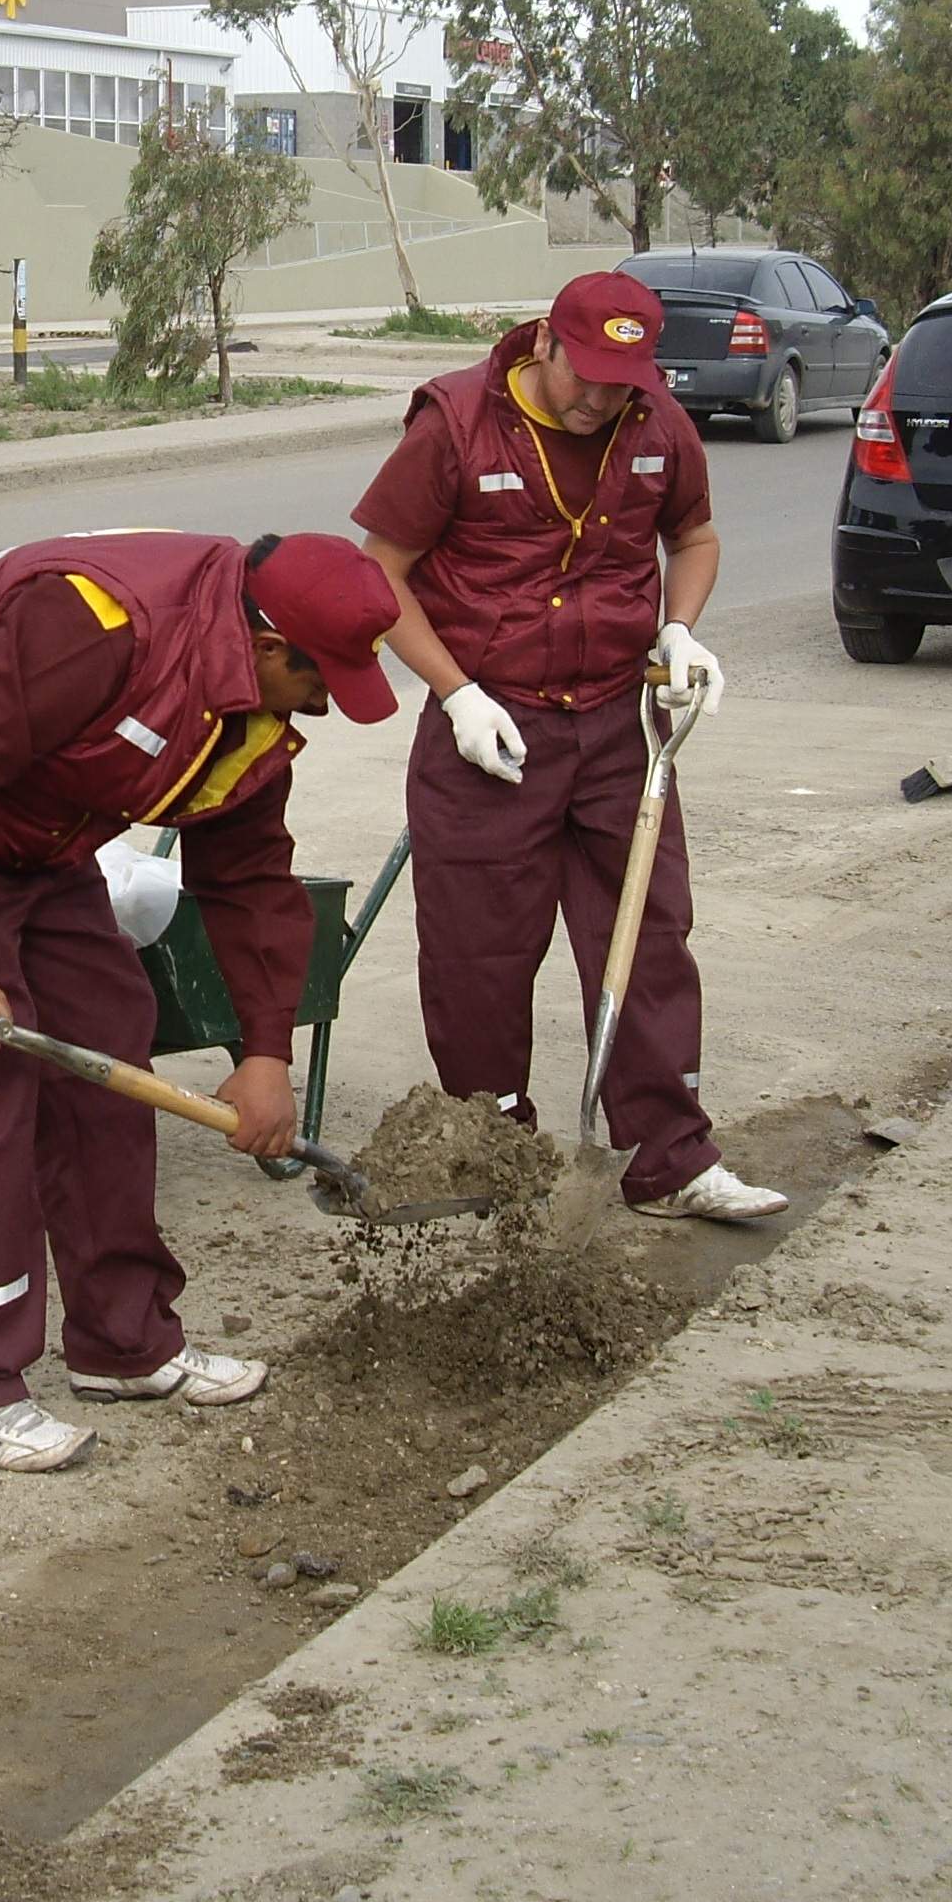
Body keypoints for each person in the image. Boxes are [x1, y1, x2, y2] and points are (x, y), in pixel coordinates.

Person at [0, 529, 399, 1472]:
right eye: (323, 680)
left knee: (108, 1026)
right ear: (270, 646)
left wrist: (266, 1053)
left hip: (33, 819)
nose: (325, 705)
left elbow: (246, 880)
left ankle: (124, 1340)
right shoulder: (100, 623)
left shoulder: (246, 710)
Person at [354, 270, 786, 1225]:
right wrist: (456, 694)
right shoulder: (457, 425)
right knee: (479, 956)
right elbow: (379, 572)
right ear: (546, 342)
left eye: (621, 380)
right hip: (488, 733)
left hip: (618, 727)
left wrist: (679, 628)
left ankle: (669, 1156)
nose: (600, 398)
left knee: (647, 935)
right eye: (586, 373)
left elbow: (696, 535)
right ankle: (495, 1160)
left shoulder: (656, 422)